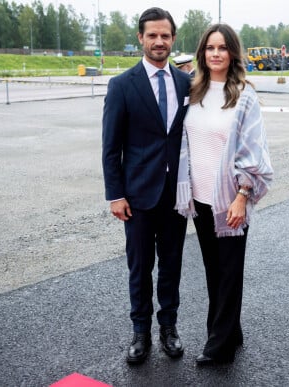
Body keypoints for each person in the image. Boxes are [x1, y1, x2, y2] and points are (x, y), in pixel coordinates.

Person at [175, 23, 273, 365]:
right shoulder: (194, 90)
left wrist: (243, 196)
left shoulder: (244, 95)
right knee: (214, 270)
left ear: (233, 53)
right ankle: (232, 332)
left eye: (222, 48)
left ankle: (218, 346)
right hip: (200, 198)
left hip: (231, 199)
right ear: (202, 52)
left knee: (230, 271)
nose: (215, 54)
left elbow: (253, 150)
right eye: (209, 48)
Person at [102, 8, 191, 364]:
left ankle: (168, 327)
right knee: (140, 268)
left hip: (176, 194)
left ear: (173, 38)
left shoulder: (187, 84)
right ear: (140, 38)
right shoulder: (122, 85)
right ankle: (140, 332)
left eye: (165, 36)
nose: (159, 42)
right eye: (152, 35)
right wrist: (115, 194)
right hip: (137, 196)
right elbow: (111, 147)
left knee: (172, 265)